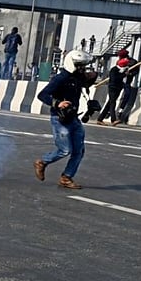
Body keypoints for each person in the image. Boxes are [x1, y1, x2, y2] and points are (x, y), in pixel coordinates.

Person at [33, 50, 97, 189]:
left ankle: (66, 177)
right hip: (59, 118)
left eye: (84, 65)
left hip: (74, 117)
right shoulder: (60, 78)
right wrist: (57, 103)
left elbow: (86, 82)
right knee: (65, 150)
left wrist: (92, 77)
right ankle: (42, 162)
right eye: (79, 65)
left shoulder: (78, 77)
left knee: (79, 151)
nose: (82, 68)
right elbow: (42, 95)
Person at [96, 58, 129, 126]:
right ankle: (113, 120)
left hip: (118, 89)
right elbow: (114, 79)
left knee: (109, 104)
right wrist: (123, 75)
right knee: (112, 103)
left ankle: (100, 119)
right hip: (112, 88)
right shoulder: (114, 70)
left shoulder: (122, 70)